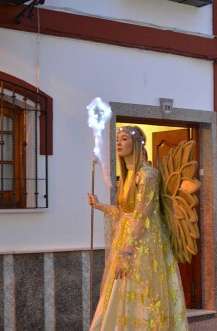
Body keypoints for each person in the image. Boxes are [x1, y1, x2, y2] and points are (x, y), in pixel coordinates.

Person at [87, 126, 188, 330]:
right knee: (120, 291)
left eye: (124, 139)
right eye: (117, 139)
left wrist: (128, 251)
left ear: (136, 144)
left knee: (143, 294)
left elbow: (142, 215)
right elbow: (124, 212)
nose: (118, 143)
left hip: (143, 244)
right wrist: (99, 206)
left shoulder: (147, 175)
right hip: (127, 240)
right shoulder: (128, 176)